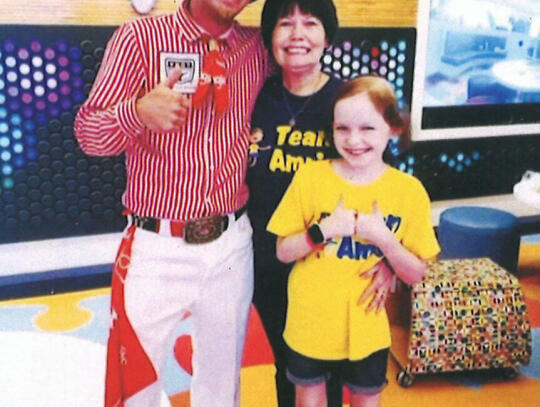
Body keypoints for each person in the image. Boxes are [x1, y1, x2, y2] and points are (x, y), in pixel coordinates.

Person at [74, 1, 268, 406]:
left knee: (222, 381)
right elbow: (89, 134)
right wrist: (137, 113)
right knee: (136, 383)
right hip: (157, 246)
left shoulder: (257, 48)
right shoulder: (139, 39)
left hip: (232, 243)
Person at [247, 1, 396, 406]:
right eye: (285, 23)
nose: (297, 33)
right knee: (291, 364)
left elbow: (390, 184)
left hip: (335, 265)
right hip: (271, 258)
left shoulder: (347, 99)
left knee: (334, 368)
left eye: (310, 23)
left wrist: (389, 261)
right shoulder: (254, 97)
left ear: (327, 36)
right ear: (269, 37)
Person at [267, 76, 441, 407]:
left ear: (393, 129)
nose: (354, 140)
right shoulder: (311, 177)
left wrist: (386, 243)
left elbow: (418, 273)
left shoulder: (409, 191)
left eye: (367, 129)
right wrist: (324, 230)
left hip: (367, 328)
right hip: (310, 321)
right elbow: (282, 251)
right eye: (342, 128)